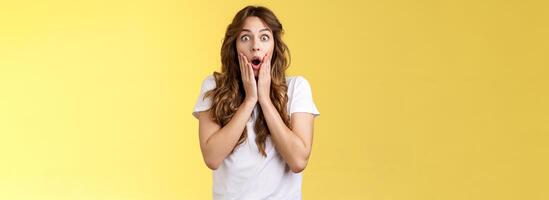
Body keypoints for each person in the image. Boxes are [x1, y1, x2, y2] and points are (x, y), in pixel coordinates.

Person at [192, 5, 320, 200]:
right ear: (234, 46)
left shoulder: (297, 88)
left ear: (275, 45)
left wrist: (265, 100)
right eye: (245, 37)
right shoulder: (213, 86)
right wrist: (250, 100)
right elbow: (212, 157)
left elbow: (298, 161)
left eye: (264, 37)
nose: (255, 46)